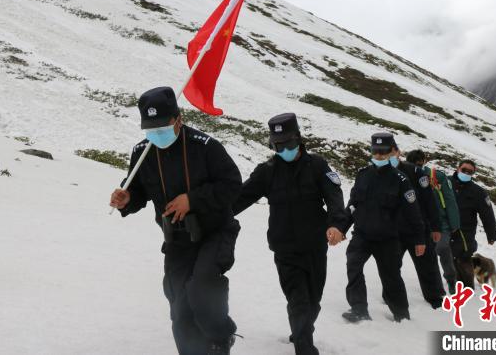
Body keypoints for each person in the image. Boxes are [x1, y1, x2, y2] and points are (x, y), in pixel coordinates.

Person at [110, 86, 242, 355]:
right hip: (177, 239)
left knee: (202, 289)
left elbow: (232, 184)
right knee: (180, 307)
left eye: (161, 126)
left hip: (215, 232)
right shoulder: (143, 152)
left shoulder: (205, 147)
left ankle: (221, 336)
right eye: (150, 128)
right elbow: (135, 190)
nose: (156, 134)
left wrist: (192, 200)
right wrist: (126, 200)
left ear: (178, 120)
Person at [233, 113, 347, 355]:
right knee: (299, 300)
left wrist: (337, 224)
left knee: (313, 300)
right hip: (285, 249)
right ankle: (305, 347)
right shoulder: (267, 171)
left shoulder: (318, 166)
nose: (284, 149)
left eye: (288, 143)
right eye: (278, 145)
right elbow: (240, 198)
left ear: (298, 139)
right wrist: (212, 215)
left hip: (315, 246)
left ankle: (300, 331)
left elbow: (334, 197)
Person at [341, 132, 425, 323]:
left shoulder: (401, 180)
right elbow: (353, 204)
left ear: (391, 153)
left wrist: (419, 239)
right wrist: (342, 228)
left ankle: (401, 315)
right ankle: (359, 309)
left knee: (391, 278)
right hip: (361, 235)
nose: (379, 156)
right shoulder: (362, 175)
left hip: (388, 239)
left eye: (383, 152)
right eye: (376, 151)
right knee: (353, 266)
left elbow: (413, 212)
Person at [389, 147, 446, 309]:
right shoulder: (381, 172)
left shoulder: (416, 173)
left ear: (399, 153)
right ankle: (391, 296)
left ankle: (435, 298)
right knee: (391, 265)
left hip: (419, 228)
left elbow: (430, 201)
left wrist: (436, 227)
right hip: (394, 229)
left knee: (427, 265)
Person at [406, 149, 461, 294]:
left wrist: (454, 224)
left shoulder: (437, 176)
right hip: (418, 223)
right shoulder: (404, 175)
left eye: (419, 163)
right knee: (429, 254)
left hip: (440, 222)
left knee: (441, 249)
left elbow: (450, 200)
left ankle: (450, 280)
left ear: (424, 161)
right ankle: (433, 285)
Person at [449, 159, 496, 289]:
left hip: (465, 231)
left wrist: (491, 234)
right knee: (445, 253)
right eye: (464, 170)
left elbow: (487, 214)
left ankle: (470, 282)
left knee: (463, 257)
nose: (466, 173)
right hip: (445, 227)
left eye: (470, 172)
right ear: (458, 168)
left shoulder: (478, 192)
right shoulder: (446, 183)